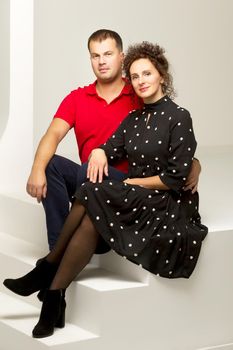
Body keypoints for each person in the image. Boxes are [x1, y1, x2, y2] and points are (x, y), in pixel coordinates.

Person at [3, 41, 207, 338]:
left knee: (91, 190)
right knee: (89, 186)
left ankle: (49, 268)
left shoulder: (178, 115)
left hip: (163, 200)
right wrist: (99, 151)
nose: (141, 81)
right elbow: (109, 146)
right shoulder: (135, 117)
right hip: (131, 192)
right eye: (136, 77)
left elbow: (175, 177)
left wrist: (136, 180)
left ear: (161, 75)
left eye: (147, 74)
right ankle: (54, 295)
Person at [26, 29, 201, 250]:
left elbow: (170, 131)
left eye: (107, 54)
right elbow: (53, 134)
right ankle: (58, 248)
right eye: (95, 55)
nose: (101, 61)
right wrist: (36, 168)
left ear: (122, 57)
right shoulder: (77, 98)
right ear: (90, 59)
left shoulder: (139, 91)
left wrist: (194, 163)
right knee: (51, 165)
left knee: (89, 169)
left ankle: (85, 239)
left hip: (128, 185)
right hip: (87, 179)